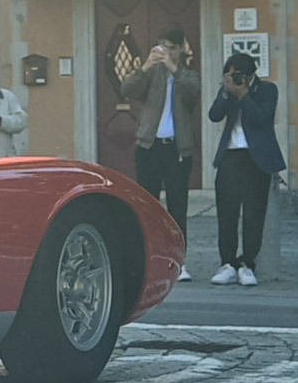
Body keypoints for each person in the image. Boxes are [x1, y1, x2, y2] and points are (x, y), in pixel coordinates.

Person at [207, 51, 285, 288]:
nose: (233, 78)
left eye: (237, 73)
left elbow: (262, 118)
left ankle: (248, 264)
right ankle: (227, 262)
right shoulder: (228, 91)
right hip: (230, 156)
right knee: (227, 214)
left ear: (250, 74)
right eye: (229, 74)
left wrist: (243, 95)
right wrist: (225, 92)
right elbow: (214, 116)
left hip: (256, 158)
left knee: (254, 214)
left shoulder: (267, 90)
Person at [121, 27, 199, 239]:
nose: (169, 52)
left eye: (173, 48)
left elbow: (194, 92)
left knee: (177, 206)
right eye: (165, 47)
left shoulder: (188, 73)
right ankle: (150, 255)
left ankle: (180, 261)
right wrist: (146, 66)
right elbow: (127, 90)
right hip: (149, 147)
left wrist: (174, 69)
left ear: (181, 49)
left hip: (177, 150)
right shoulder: (151, 73)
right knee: (147, 205)